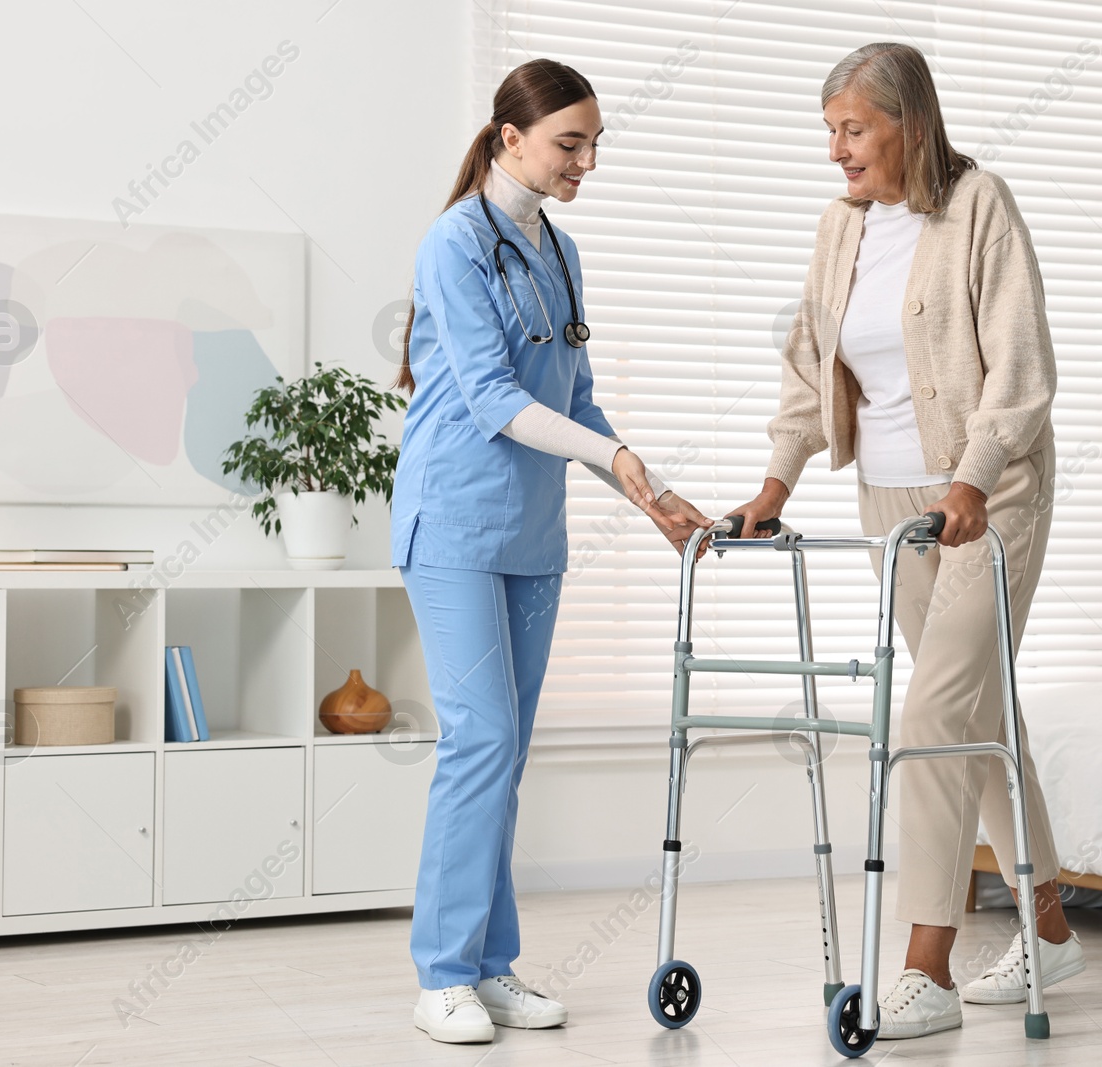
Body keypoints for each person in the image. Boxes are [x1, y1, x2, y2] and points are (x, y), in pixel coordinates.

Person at [729, 42, 1085, 1039]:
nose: (837, 152)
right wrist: (773, 483)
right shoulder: (838, 229)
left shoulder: (978, 206)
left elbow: (1019, 366)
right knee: (973, 711)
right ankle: (1052, 930)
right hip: (890, 504)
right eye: (829, 131)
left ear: (907, 124)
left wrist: (973, 477)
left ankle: (924, 964)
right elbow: (811, 374)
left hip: (989, 494)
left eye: (853, 129)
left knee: (933, 712)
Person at [391, 59, 711, 1045]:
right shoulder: (454, 242)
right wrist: (611, 454)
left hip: (533, 536)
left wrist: (644, 485)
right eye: (570, 142)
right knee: (479, 739)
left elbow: (572, 402)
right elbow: (491, 398)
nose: (586, 160)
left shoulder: (561, 253)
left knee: (505, 753)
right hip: (451, 523)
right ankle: (441, 972)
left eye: (593, 142)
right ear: (508, 138)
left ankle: (490, 966)